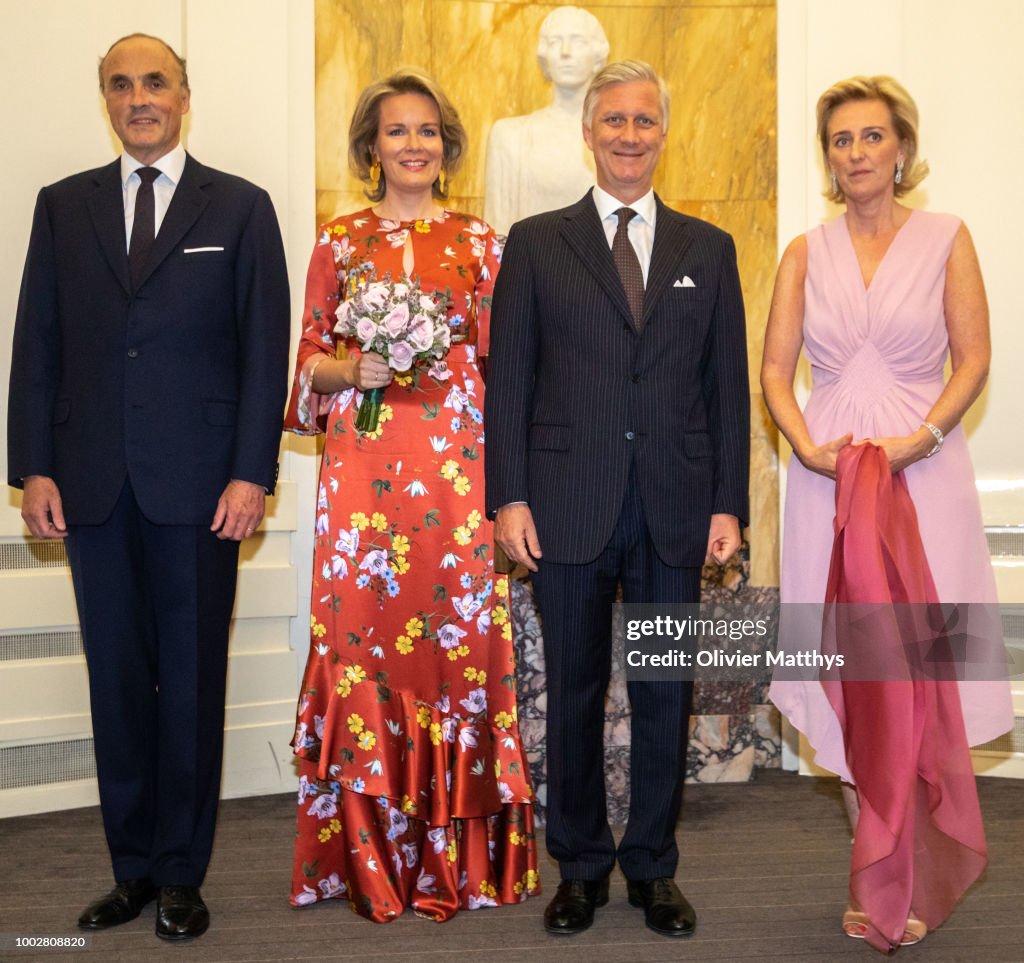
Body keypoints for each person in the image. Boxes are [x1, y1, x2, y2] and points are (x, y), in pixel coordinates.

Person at [6, 34, 290, 941]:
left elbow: (263, 353)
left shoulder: (241, 208)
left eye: (154, 82)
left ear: (184, 96)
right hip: (90, 486)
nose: (139, 98)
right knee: (118, 683)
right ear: (105, 100)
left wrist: (253, 471)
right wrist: (31, 467)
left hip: (203, 490)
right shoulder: (63, 207)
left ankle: (180, 873)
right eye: (121, 85)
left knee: (192, 682)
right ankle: (129, 868)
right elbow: (36, 345)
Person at [485, 60, 749, 938]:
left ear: (662, 133)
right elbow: (510, 383)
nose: (629, 134)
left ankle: (652, 867)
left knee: (666, 687)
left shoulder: (707, 250)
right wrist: (508, 497)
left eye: (645, 120)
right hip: (566, 504)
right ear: (588, 131)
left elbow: (727, 390)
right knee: (572, 686)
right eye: (614, 120)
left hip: (674, 505)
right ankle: (582, 866)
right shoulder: (534, 241)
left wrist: (728, 505)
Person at [761, 75, 1013, 952]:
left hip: (924, 477)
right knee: (856, 677)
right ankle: (874, 876)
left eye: (872, 136)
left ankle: (920, 870)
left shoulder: (948, 238)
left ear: (901, 148)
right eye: (841, 140)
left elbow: (974, 358)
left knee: (922, 671)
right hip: (829, 484)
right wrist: (801, 444)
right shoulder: (804, 250)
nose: (857, 153)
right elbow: (774, 373)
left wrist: (927, 436)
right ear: (828, 156)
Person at [284, 69, 538, 923]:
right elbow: (308, 360)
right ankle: (365, 856)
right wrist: (348, 368)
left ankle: (458, 864)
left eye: (427, 131)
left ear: (447, 144)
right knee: (366, 653)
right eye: (397, 132)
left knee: (455, 654)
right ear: (371, 147)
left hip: (459, 480)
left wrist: (515, 486)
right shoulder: (339, 239)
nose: (414, 145)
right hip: (362, 484)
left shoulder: (481, 242)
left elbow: (510, 374)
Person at [484, 5, 608, 234]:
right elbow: (498, 236)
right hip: (530, 266)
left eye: (578, 41)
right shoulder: (510, 137)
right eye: (554, 42)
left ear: (598, 55)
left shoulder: (616, 138)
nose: (565, 52)